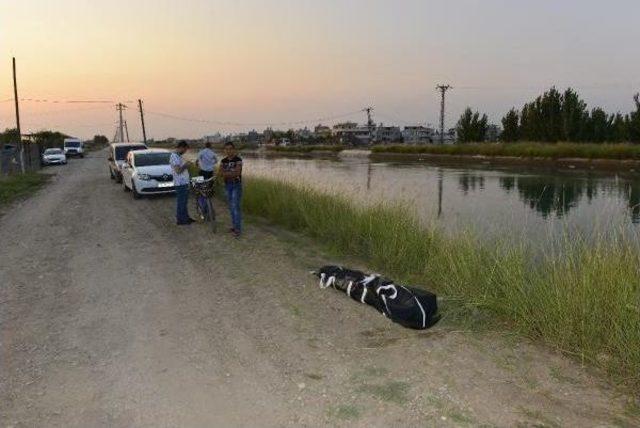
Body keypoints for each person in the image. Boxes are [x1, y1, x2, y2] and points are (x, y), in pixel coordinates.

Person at [218, 142, 243, 237]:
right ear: (224, 150)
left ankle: (238, 229)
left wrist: (226, 173)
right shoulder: (223, 161)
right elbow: (220, 173)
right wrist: (230, 173)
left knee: (236, 207)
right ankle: (234, 226)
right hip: (227, 185)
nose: (228, 151)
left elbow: (237, 173)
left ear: (234, 149)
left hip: (236, 185)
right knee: (231, 207)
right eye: (226, 149)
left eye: (230, 149)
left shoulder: (238, 160)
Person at [170, 141, 194, 226]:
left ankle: (186, 217)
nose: (185, 151)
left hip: (184, 183)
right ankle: (181, 220)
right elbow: (178, 170)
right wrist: (186, 165)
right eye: (185, 149)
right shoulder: (174, 156)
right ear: (181, 147)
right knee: (181, 202)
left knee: (184, 202)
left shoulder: (178, 156)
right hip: (180, 184)